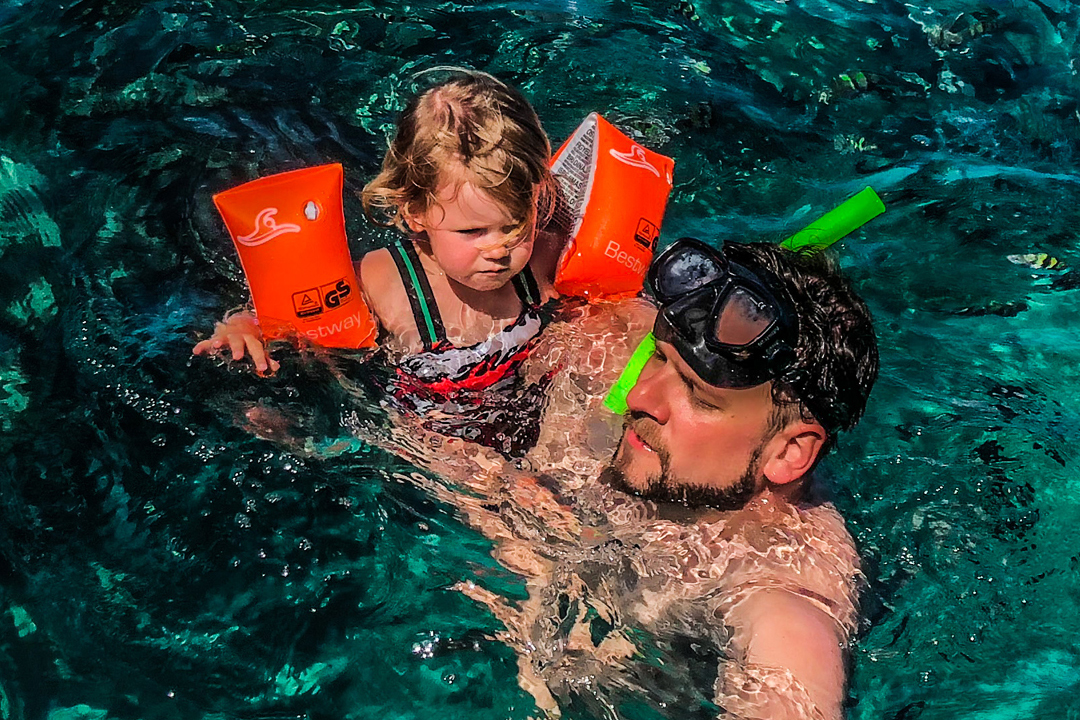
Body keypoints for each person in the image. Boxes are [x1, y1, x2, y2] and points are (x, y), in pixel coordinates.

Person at [370, 237, 878, 719]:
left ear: (789, 453)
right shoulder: (608, 349)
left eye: (700, 399)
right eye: (658, 358)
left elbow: (791, 680)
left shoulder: (781, 588)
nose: (639, 397)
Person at [193, 68, 565, 380]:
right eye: (472, 231)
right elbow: (281, 319)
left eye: (515, 225)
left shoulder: (546, 261)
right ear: (414, 212)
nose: (498, 249)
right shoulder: (382, 283)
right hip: (434, 440)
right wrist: (241, 327)